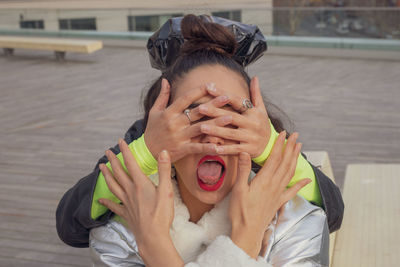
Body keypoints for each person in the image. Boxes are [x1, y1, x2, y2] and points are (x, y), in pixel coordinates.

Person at [56, 14, 343, 265]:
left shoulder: (288, 212)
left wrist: (269, 148)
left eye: (230, 113)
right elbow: (69, 223)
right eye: (192, 114)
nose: (212, 133)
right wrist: (146, 151)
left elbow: (333, 212)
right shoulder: (146, 149)